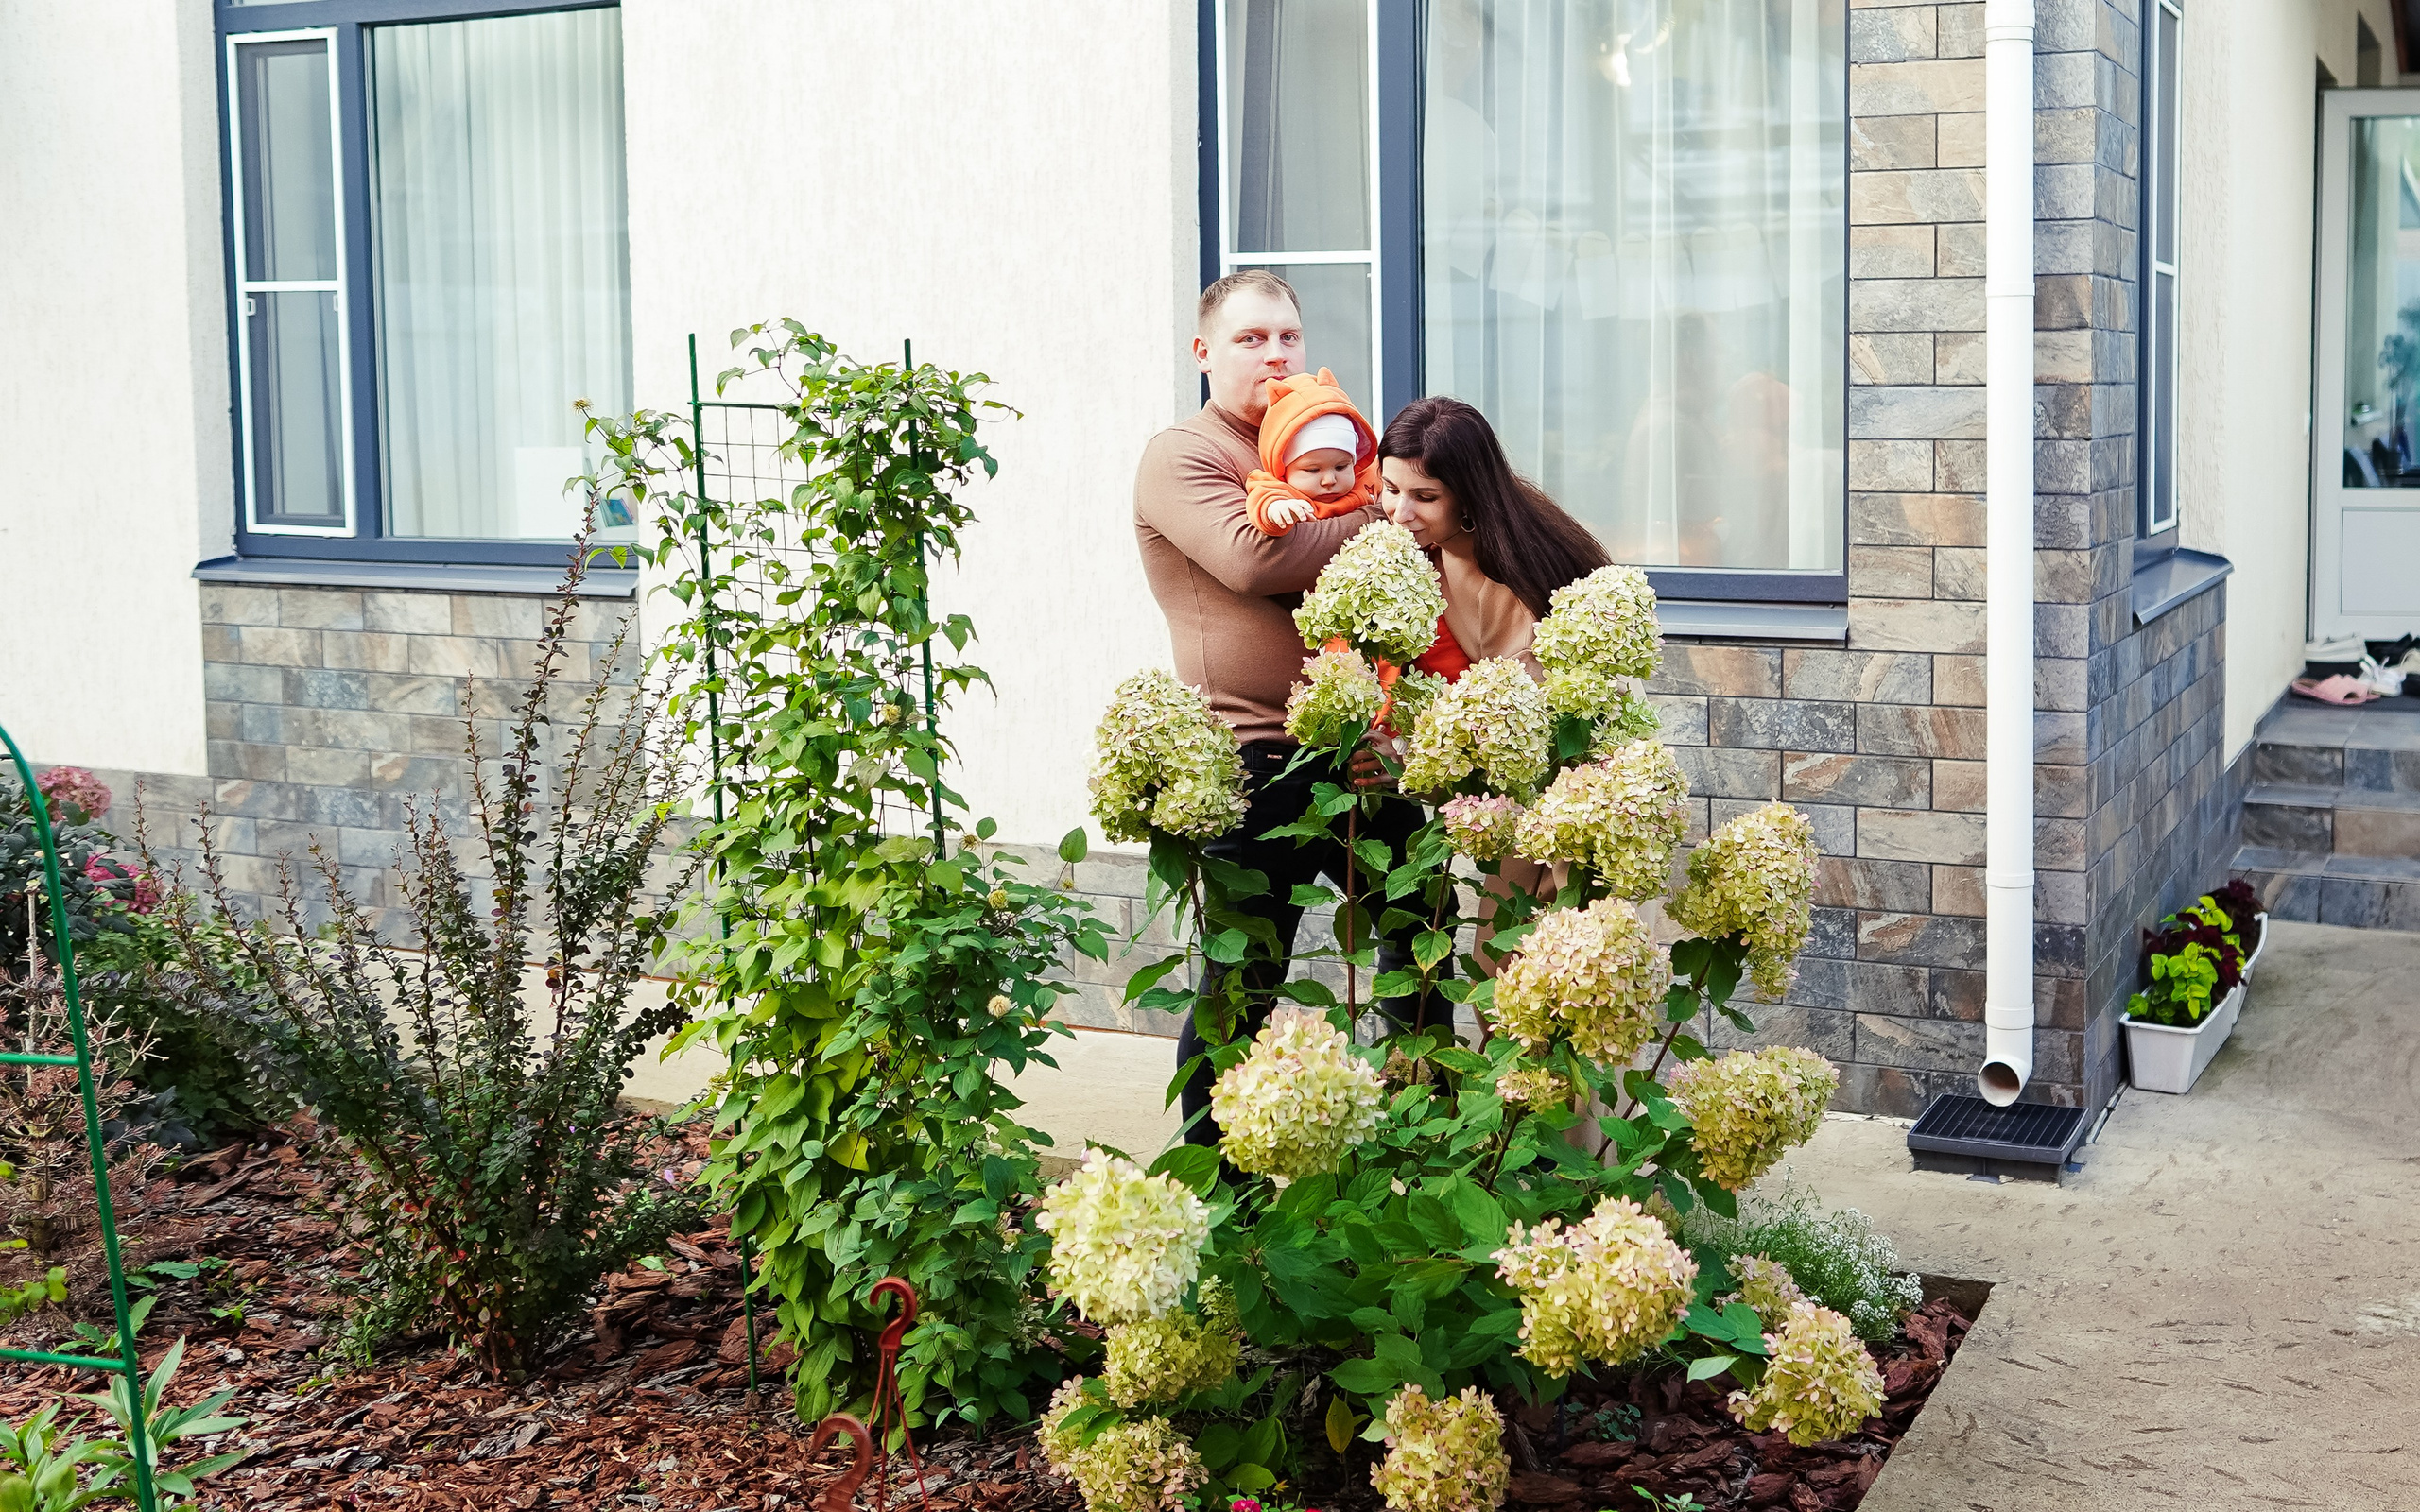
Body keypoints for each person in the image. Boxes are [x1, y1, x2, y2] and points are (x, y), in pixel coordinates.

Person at [1132, 270, 1439, 1146]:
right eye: (1249, 338)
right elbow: (1256, 562)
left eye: (1288, 338)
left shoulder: (1327, 440)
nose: (1274, 355)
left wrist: (1371, 510)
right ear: (1203, 354)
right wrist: (1384, 518)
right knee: (1246, 979)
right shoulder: (1185, 455)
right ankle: (1215, 1188)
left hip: (1355, 746)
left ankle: (1417, 1140)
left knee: (1420, 930)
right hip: (1250, 755)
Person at [1379, 395, 1613, 956]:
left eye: (1424, 497)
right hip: (1509, 799)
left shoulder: (1529, 571)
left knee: (1571, 983)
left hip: (1580, 798)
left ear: (1470, 496)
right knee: (1495, 975)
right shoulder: (1416, 556)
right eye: (1390, 488)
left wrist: (1412, 764)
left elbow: (1529, 722)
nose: (1399, 512)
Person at [1244, 368, 1379, 534]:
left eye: (1341, 467)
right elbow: (1262, 501)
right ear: (1282, 467)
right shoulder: (1279, 492)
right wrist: (1276, 511)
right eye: (1313, 470)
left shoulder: (1368, 477)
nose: (1329, 480)